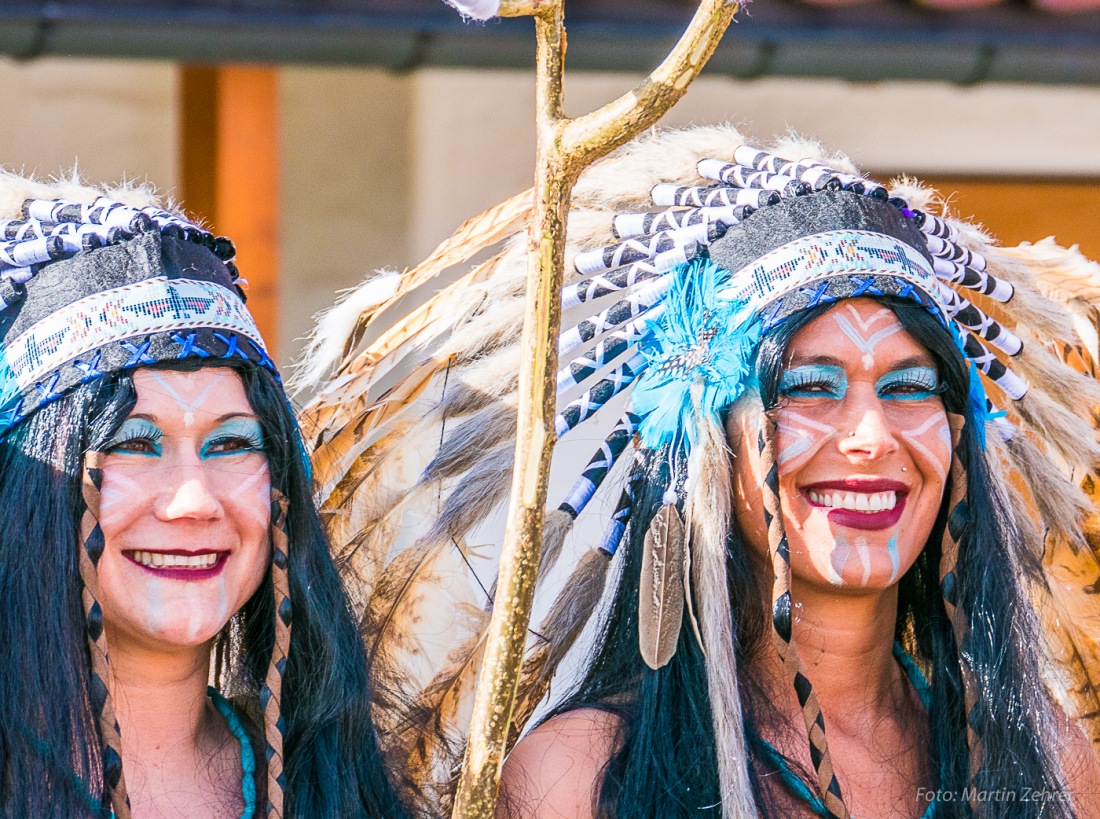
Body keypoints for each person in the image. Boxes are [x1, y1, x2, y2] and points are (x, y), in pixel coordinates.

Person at [296, 125, 1100, 817]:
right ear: (703, 442)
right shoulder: (578, 778)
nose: (869, 436)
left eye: (908, 387)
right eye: (808, 388)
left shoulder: (1047, 770)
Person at [0, 173, 407, 817]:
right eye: (133, 443)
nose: (194, 501)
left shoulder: (339, 787)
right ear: (29, 489)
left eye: (231, 444)